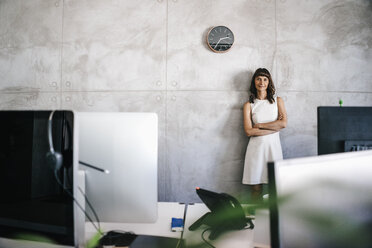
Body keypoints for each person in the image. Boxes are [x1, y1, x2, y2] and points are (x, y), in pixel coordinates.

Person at [242, 68, 287, 202]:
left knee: (275, 187)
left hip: (273, 148)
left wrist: (260, 125)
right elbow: (249, 131)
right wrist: (274, 126)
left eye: (265, 79)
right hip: (256, 150)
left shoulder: (277, 101)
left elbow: (283, 124)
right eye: (259, 79)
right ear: (254, 82)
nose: (262, 82)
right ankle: (255, 219)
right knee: (256, 189)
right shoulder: (249, 105)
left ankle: (273, 220)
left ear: (269, 82)